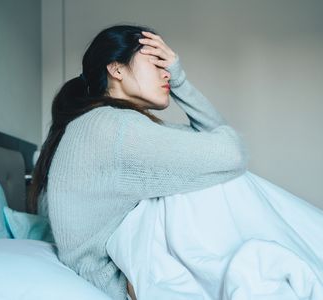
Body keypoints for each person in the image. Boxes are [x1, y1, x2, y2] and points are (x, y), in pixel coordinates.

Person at [28, 24, 248, 300]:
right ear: (117, 69)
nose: (167, 72)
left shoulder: (108, 123)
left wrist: (178, 79)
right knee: (230, 185)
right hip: (123, 284)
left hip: (124, 275)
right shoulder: (111, 127)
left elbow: (215, 139)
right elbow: (232, 154)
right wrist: (180, 82)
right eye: (156, 63)